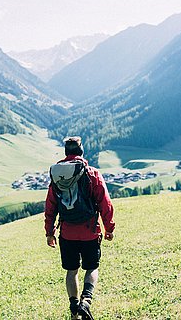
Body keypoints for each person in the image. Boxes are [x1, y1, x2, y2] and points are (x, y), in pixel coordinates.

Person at [44, 136, 115, 320]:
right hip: (90, 231)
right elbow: (105, 203)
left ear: (66, 152)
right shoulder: (91, 173)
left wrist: (49, 232)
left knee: (72, 271)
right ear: (81, 151)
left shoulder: (57, 176)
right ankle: (86, 302)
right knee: (92, 268)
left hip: (67, 233)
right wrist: (109, 227)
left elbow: (50, 206)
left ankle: (74, 309)